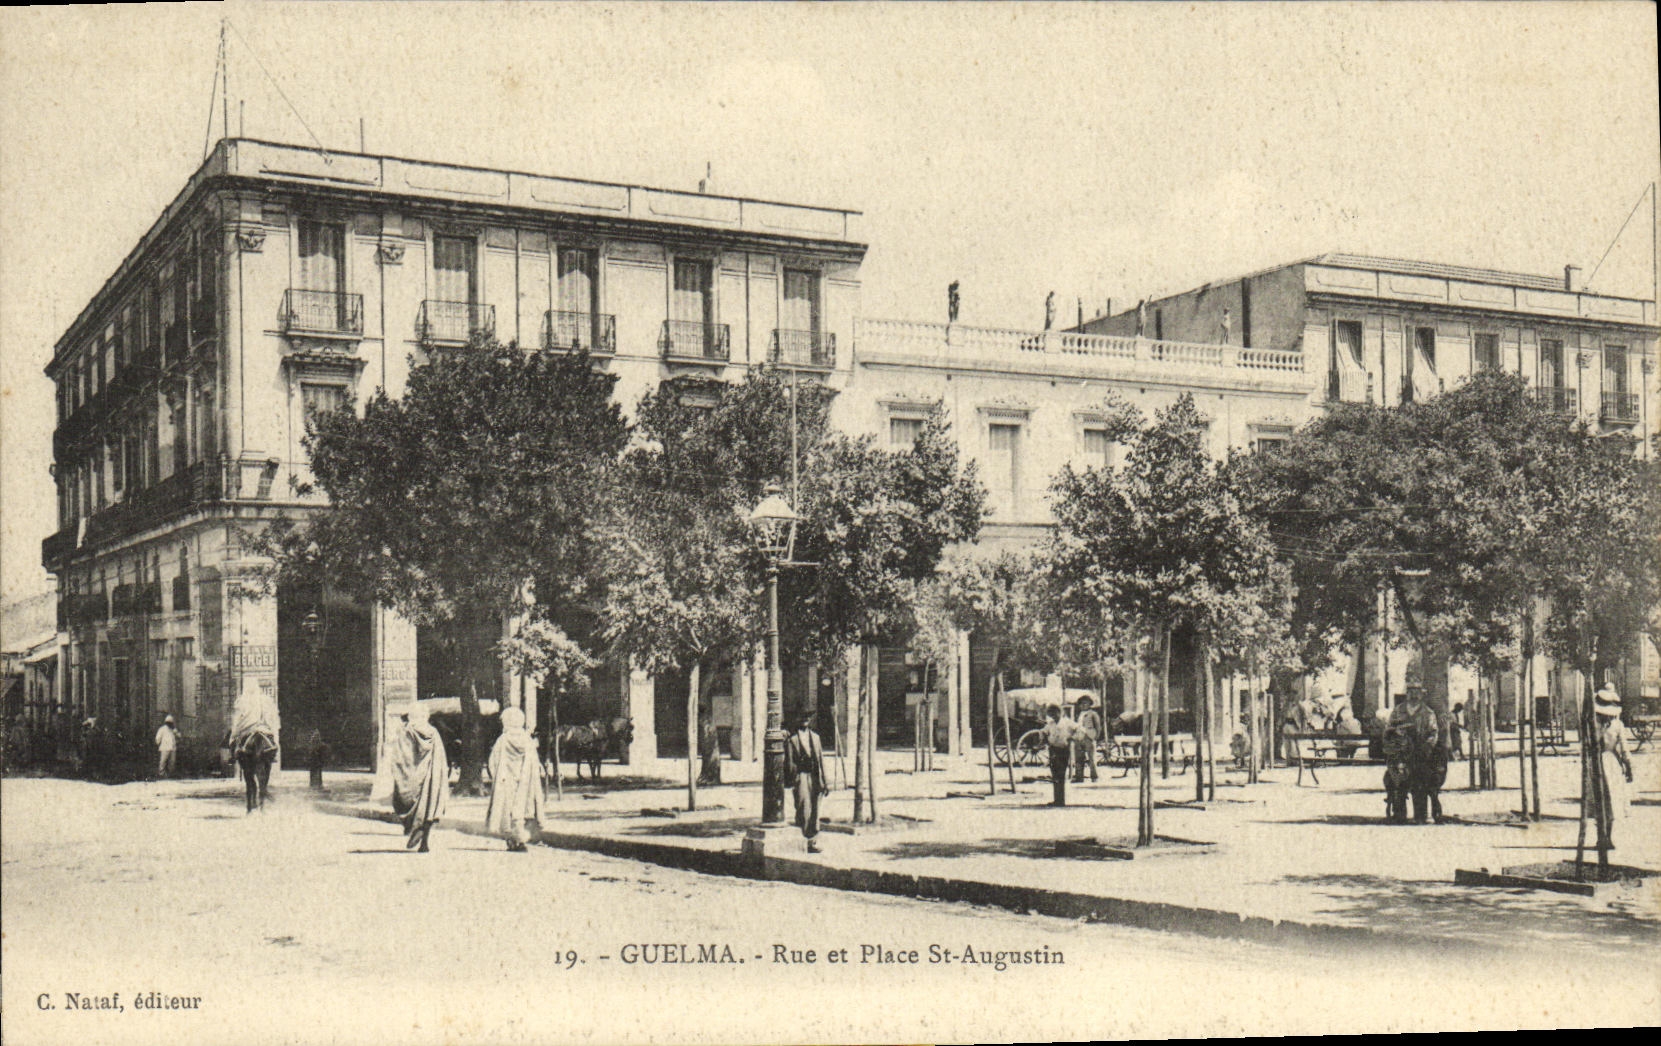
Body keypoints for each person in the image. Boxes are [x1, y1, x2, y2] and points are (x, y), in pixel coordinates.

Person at [391, 703, 449, 852]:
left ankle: (412, 827)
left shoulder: (407, 731)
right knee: (429, 803)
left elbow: (403, 757)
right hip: (430, 773)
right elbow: (440, 756)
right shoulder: (433, 732)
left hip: (413, 775)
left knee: (403, 802)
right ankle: (424, 842)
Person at [485, 707, 544, 852]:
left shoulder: (503, 740)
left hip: (506, 781)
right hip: (524, 780)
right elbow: (534, 761)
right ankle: (520, 838)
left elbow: (493, 761)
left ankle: (513, 839)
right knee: (522, 809)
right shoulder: (527, 739)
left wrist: (496, 776)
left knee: (507, 810)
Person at [229, 676, 280, 813]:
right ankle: (262, 804)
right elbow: (273, 718)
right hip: (264, 730)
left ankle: (232, 757)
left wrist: (233, 737)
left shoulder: (241, 701)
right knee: (271, 746)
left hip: (248, 731)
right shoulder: (266, 700)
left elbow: (237, 721)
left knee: (236, 747)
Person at [1592, 683, 1634, 848]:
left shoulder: (1592, 724)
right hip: (1612, 764)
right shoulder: (1617, 726)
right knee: (1611, 801)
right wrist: (1629, 767)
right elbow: (1624, 750)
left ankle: (1601, 837)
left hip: (1596, 763)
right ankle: (1607, 837)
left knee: (1600, 800)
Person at [783, 710, 828, 853]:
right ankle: (803, 839)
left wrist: (825, 781)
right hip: (801, 776)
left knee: (815, 808)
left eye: (808, 717)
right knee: (803, 807)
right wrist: (793, 779)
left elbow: (821, 760)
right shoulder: (792, 740)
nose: (805, 720)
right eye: (802, 717)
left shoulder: (815, 737)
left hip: (814, 776)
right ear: (797, 719)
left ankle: (812, 841)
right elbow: (789, 762)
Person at [1382, 701, 1414, 823]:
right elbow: (1388, 750)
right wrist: (1397, 757)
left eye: (1404, 729)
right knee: (1395, 781)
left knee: (1405, 783)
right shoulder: (1391, 739)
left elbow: (1410, 751)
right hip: (1394, 764)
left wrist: (1406, 759)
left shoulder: (1408, 740)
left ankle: (1402, 810)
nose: (1402, 731)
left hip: (1405, 764)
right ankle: (1396, 810)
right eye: (1400, 729)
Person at [1042, 705, 1079, 806]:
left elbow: (1080, 730)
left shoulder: (1068, 722)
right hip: (1053, 749)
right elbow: (1043, 732)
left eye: (1055, 713)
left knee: (1061, 774)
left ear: (1060, 712)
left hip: (1063, 750)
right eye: (1051, 714)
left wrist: (1072, 738)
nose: (1054, 716)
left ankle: (1061, 800)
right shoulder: (1051, 724)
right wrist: (1046, 741)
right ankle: (1056, 799)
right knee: (1055, 775)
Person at [1072, 697, 1102, 783]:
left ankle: (1094, 776)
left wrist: (1095, 737)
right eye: (1081, 704)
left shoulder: (1093, 714)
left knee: (1091, 758)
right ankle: (1079, 777)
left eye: (1085, 703)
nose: (1083, 705)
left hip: (1088, 737)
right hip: (1079, 737)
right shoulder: (1079, 714)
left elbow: (1098, 726)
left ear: (1089, 704)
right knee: (1078, 758)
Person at [697, 705, 722, 786]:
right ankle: (708, 776)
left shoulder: (706, 722)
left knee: (711, 760)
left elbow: (707, 734)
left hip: (710, 747)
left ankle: (711, 777)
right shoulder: (706, 721)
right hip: (708, 747)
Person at [154, 714, 179, 779]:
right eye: (168, 723)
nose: (169, 724)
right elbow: (158, 738)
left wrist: (176, 732)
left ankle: (170, 774)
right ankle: (161, 774)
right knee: (163, 761)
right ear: (166, 722)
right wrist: (158, 743)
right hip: (164, 747)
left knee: (172, 762)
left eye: (170, 723)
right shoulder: (162, 729)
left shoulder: (173, 730)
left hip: (172, 748)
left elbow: (179, 736)